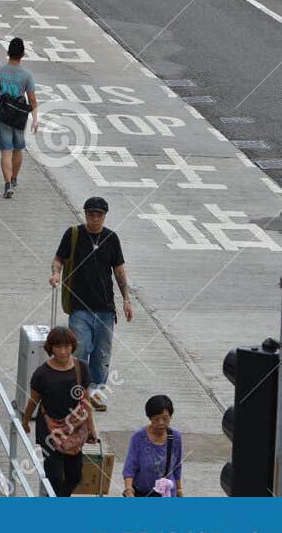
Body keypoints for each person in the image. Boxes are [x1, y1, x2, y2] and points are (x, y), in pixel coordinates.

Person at [51, 196, 133, 411]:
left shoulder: (111, 238)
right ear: (85, 214)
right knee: (80, 350)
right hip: (80, 307)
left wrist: (126, 300)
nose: (95, 218)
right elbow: (59, 259)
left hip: (105, 308)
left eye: (99, 215)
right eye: (91, 214)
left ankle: (95, 393)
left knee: (102, 354)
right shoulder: (74, 235)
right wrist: (55, 275)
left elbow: (119, 271)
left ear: (105, 216)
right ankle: (79, 394)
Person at [20, 325, 95, 497]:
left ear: (73, 346)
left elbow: (86, 400)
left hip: (74, 428)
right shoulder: (42, 374)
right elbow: (33, 401)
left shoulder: (81, 368)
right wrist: (25, 421)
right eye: (58, 346)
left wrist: (92, 429)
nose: (62, 351)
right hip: (49, 429)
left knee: (75, 476)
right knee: (54, 478)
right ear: (50, 348)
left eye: (67, 346)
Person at [0, 37, 38, 197]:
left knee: (6, 150)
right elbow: (32, 100)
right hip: (19, 117)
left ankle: (7, 184)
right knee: (18, 148)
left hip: (3, 115)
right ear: (23, 54)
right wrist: (35, 119)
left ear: (7, 53)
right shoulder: (27, 75)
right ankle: (14, 178)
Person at [123, 394, 183, 497]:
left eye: (165, 418)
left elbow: (177, 467)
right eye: (156, 419)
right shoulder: (138, 438)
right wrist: (129, 489)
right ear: (150, 418)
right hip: (142, 493)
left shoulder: (175, 437)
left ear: (170, 417)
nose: (161, 423)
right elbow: (130, 467)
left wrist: (179, 490)